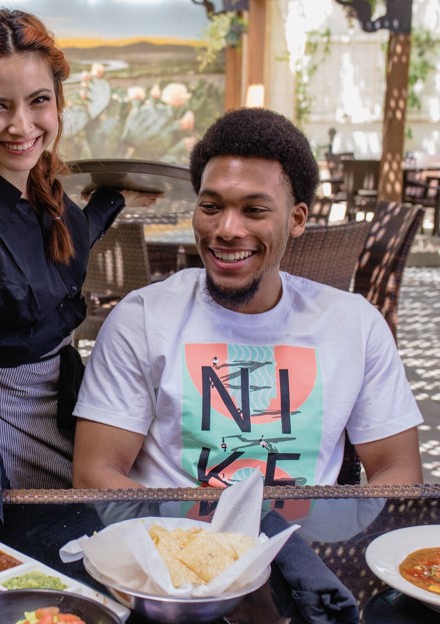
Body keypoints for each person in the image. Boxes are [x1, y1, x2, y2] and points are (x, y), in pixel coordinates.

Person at [0, 9, 155, 583]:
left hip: (64, 387)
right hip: (2, 409)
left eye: (38, 101)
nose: (22, 125)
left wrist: (113, 200)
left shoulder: (40, 184)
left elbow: (67, 245)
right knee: (65, 549)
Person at [73, 108, 423, 490]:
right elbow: (95, 474)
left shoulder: (354, 325)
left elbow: (398, 472)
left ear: (297, 219)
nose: (227, 229)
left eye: (254, 210)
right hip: (168, 527)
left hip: (305, 529)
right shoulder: (142, 319)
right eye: (211, 207)